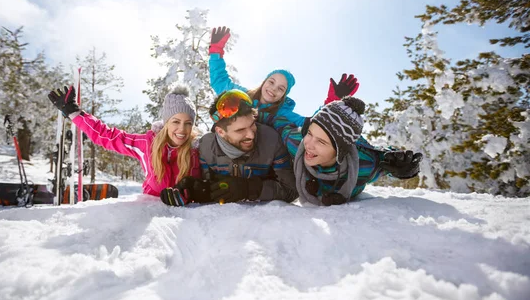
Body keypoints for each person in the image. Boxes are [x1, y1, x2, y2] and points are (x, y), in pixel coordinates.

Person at [260, 96, 422, 206]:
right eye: (310, 133)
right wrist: (254, 114)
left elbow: (387, 160)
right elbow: (279, 123)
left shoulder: (364, 164)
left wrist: (404, 168)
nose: (309, 144)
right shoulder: (297, 142)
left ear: (339, 151)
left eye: (321, 142)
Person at [48, 84, 201, 197]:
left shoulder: (196, 151)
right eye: (176, 122)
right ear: (166, 122)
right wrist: (74, 113)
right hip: (151, 212)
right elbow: (107, 135)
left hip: (184, 219)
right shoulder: (147, 144)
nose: (182, 129)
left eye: (188, 123)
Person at [160, 89, 298, 206]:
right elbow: (207, 187)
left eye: (252, 125)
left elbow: (291, 190)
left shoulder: (271, 140)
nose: (251, 134)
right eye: (240, 130)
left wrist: (248, 188)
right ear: (220, 132)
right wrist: (193, 189)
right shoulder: (206, 148)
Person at [208, 26, 359, 126]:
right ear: (264, 81)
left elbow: (312, 124)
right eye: (271, 82)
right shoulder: (242, 95)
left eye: (281, 88)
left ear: (283, 95)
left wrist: (332, 102)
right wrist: (216, 51)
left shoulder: (283, 113)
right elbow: (220, 82)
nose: (273, 89)